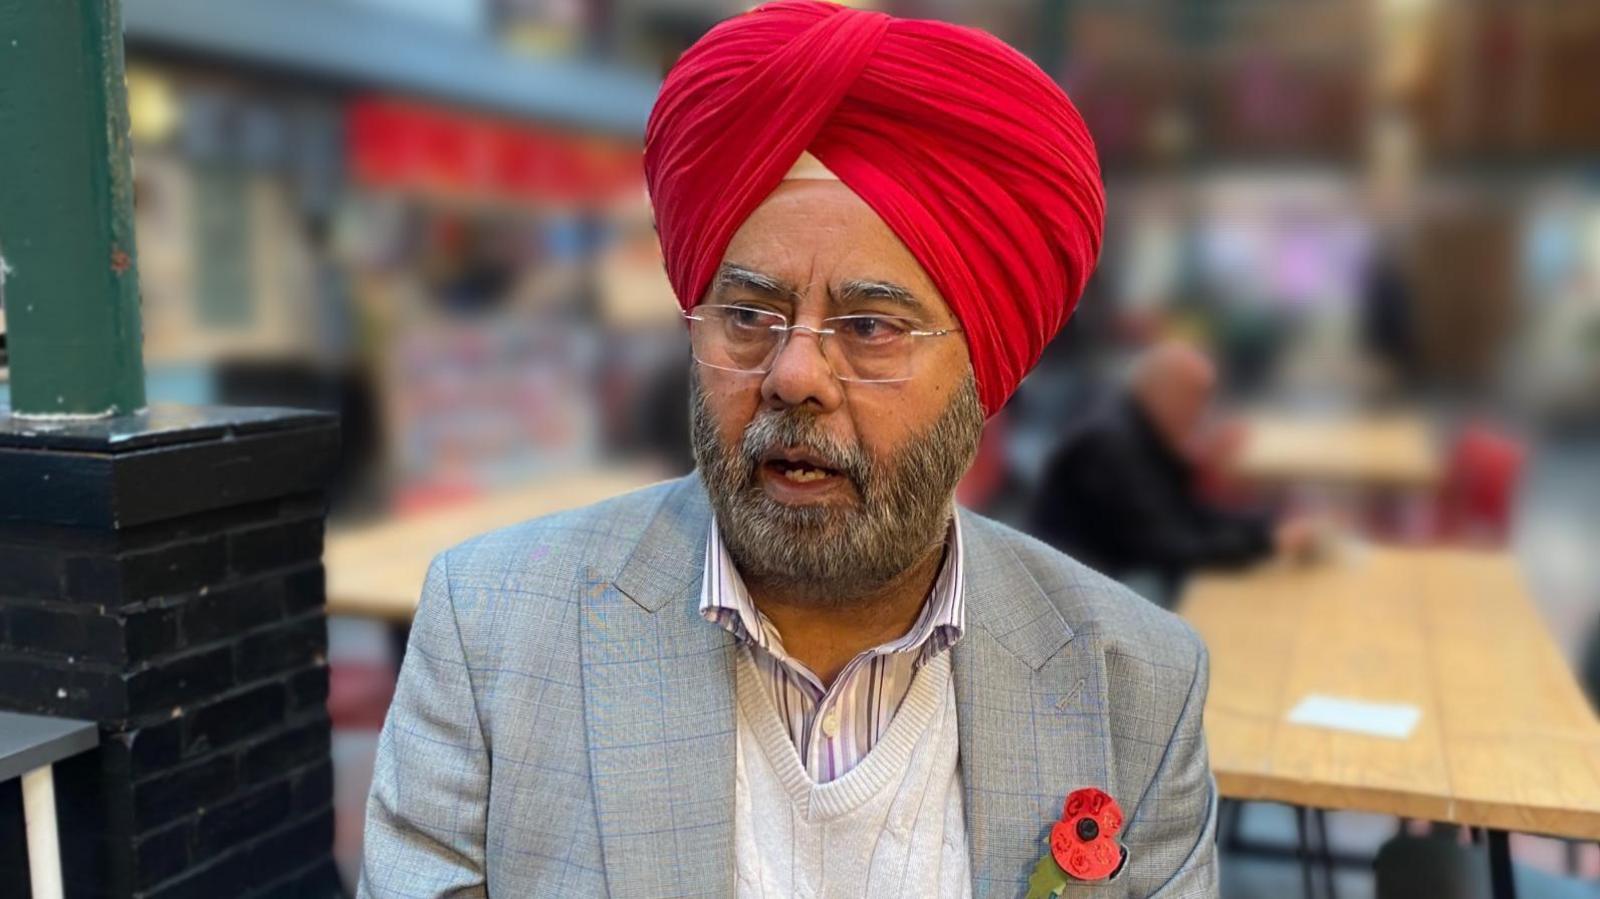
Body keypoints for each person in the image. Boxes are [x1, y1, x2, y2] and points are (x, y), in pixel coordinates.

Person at [359, 3, 1217, 896]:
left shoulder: (1134, 685)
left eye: (872, 327)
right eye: (748, 316)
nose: (794, 373)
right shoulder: (491, 630)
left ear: (986, 368)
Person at [1031, 341, 1314, 599]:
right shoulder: (1111, 447)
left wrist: (1266, 528)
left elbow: (1182, 513)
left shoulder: (1139, 424)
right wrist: (1266, 542)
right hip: (1080, 592)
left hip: (1122, 566)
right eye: (1196, 397)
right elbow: (1171, 546)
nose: (1202, 412)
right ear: (1163, 391)